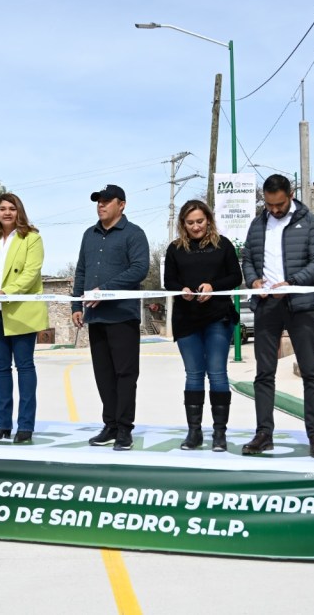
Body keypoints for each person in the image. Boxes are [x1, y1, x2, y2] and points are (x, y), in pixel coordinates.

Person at [241, 174, 314, 457]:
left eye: (279, 204)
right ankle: (263, 434)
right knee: (264, 374)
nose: (275, 210)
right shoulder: (258, 224)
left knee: (310, 372)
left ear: (290, 194)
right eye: (269, 204)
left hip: (299, 305)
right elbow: (248, 260)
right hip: (266, 306)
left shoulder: (310, 222)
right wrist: (253, 281)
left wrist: (292, 282)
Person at [72, 184, 149, 451]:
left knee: (125, 374)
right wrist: (76, 306)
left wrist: (105, 291)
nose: (101, 205)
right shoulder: (89, 235)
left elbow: (139, 269)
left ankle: (125, 429)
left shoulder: (134, 234)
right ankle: (110, 425)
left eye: (106, 201)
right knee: (103, 375)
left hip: (122, 316)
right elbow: (81, 270)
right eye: (98, 201)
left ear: (122, 204)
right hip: (96, 317)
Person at [163, 199, 242, 452]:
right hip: (186, 319)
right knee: (194, 374)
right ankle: (194, 432)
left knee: (217, 372)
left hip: (218, 317)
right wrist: (181, 290)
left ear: (208, 219)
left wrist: (213, 286)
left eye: (200, 221)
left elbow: (235, 277)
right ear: (182, 224)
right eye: (190, 223)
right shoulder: (175, 249)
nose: (196, 227)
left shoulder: (223, 245)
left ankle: (220, 434)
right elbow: (169, 281)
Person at [0, 193, 48, 444]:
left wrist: (7, 292)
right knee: (0, 370)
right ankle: (1, 424)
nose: (7, 213)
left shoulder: (32, 238)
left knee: (25, 367)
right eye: (2, 208)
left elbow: (31, 272)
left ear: (19, 212)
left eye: (12, 209)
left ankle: (25, 425)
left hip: (21, 311)